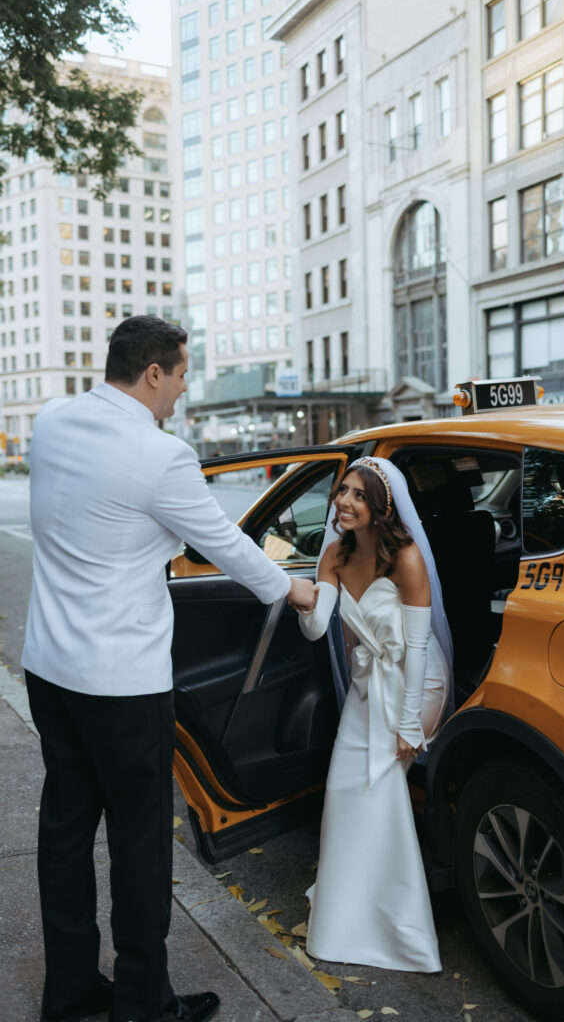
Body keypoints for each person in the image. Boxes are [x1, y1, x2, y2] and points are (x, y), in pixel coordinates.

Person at [22, 316, 315, 1022]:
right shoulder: (161, 457)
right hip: (122, 684)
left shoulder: (53, 421)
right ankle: (143, 1003)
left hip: (50, 669)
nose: (184, 389)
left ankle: (68, 995)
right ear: (153, 373)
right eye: (182, 373)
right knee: (140, 844)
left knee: (65, 831)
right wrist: (295, 588)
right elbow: (230, 547)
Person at [291, 457, 453, 972]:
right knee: (344, 791)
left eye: (359, 495)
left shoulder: (405, 557)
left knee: (380, 793)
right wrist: (297, 597)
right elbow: (318, 630)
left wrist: (409, 724)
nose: (345, 501)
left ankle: (398, 928)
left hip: (416, 682)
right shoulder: (334, 555)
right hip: (369, 685)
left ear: (380, 507)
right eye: (343, 491)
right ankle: (349, 911)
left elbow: (419, 647)